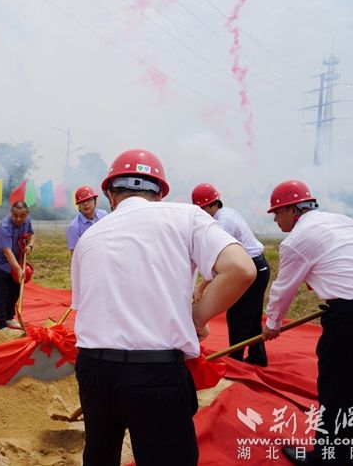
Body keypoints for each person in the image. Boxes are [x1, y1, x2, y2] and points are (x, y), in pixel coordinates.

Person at [71, 149, 256, 466]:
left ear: (111, 195)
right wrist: (196, 318)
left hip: (94, 370)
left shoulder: (88, 237)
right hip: (155, 373)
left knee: (100, 455)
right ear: (159, 194)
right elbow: (241, 269)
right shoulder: (186, 216)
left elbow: (86, 307)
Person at [261, 180, 353, 466]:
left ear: (293, 210)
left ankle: (325, 458)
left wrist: (272, 324)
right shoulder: (342, 221)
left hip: (351, 317)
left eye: (277, 213)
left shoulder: (297, 240)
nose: (275, 219)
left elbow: (284, 289)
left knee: (336, 388)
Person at [191, 183, 270, 367]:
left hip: (252, 269)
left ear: (213, 205)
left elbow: (225, 264)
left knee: (237, 316)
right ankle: (257, 357)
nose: (202, 213)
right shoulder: (225, 214)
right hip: (258, 267)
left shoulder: (223, 223)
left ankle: (235, 361)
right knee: (251, 316)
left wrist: (201, 288)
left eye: (203, 208)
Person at [0, 201, 35, 330]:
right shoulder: (4, 227)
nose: (18, 219)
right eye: (15, 216)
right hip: (0, 262)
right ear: (11, 213)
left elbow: (31, 235)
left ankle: (9, 317)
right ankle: (1, 324)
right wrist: (18, 269)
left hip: (16, 261)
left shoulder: (27, 222)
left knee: (15, 290)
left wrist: (30, 246)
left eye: (22, 216)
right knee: (1, 293)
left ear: (27, 215)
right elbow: (7, 252)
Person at [66, 185, 107, 254]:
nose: (85, 204)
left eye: (89, 200)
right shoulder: (74, 227)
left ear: (95, 201)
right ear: (78, 205)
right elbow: (75, 254)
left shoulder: (104, 215)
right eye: (82, 201)